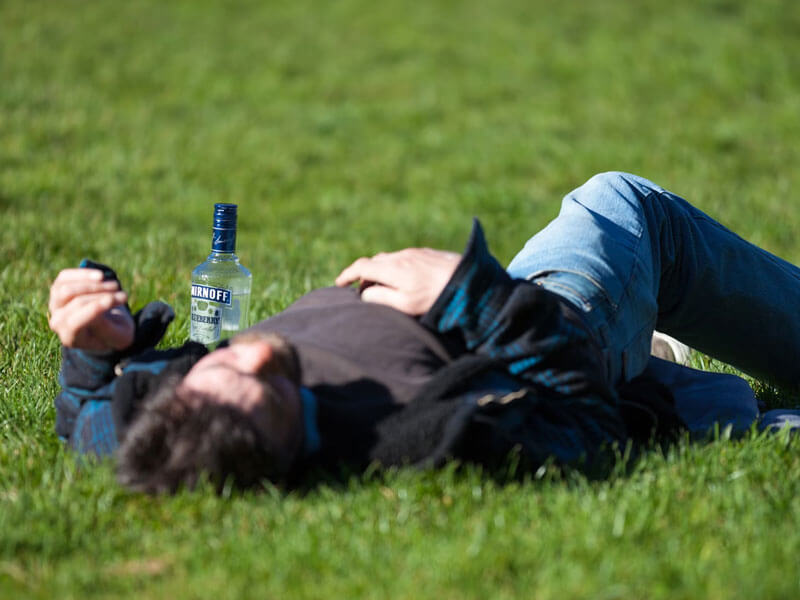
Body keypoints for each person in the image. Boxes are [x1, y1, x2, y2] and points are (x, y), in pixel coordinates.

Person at [48, 172, 800, 493]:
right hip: (542, 327)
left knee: (686, 401)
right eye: (271, 386)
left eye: (217, 368)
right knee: (622, 206)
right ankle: (675, 383)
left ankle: (715, 409)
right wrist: (468, 295)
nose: (247, 352)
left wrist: (92, 348)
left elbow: (87, 417)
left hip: (488, 322)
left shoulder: (172, 424)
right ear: (284, 441)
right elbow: (583, 423)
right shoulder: (416, 436)